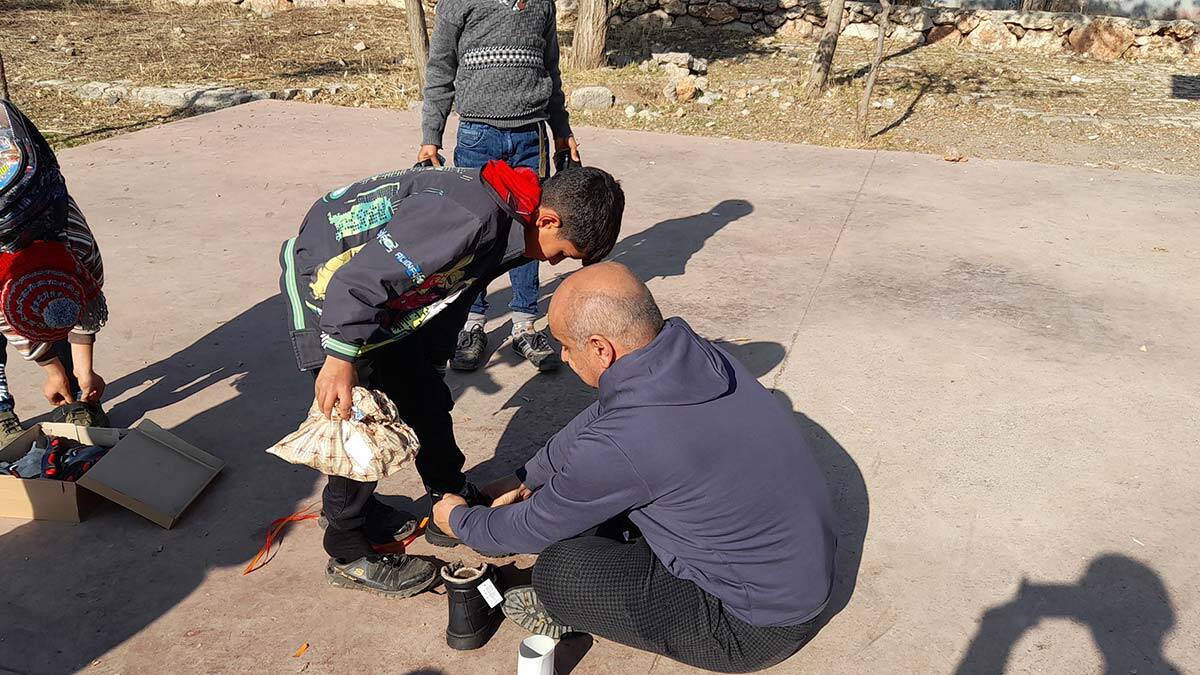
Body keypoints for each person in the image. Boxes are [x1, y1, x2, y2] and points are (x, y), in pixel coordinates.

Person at [433, 263, 838, 672]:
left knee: (558, 571)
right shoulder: (693, 355)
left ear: (600, 348)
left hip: (754, 625)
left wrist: (461, 521)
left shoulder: (627, 440)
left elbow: (533, 527)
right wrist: (526, 478)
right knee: (594, 500)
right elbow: (601, 417)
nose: (564, 356)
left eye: (566, 345)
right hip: (797, 575)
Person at [278, 160, 623, 597]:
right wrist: (340, 357)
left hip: (385, 294)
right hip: (333, 284)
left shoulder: (515, 220)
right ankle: (346, 547)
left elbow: (456, 289)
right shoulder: (470, 217)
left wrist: (432, 360)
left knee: (425, 394)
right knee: (358, 419)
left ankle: (448, 498)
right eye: (561, 254)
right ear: (549, 220)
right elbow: (359, 279)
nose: (553, 263)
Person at [417, 0, 579, 373]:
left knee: (530, 227)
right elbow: (441, 67)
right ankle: (472, 323)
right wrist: (431, 136)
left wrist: (561, 130)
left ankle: (525, 323)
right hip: (477, 135)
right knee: (473, 230)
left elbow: (550, 70)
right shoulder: (458, 3)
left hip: (530, 136)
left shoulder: (541, 4)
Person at [0, 100, 109, 445]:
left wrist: (83, 371)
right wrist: (51, 369)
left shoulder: (78, 246)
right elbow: (9, 324)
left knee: (53, 312)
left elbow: (88, 307)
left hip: (22, 183)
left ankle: (77, 395)